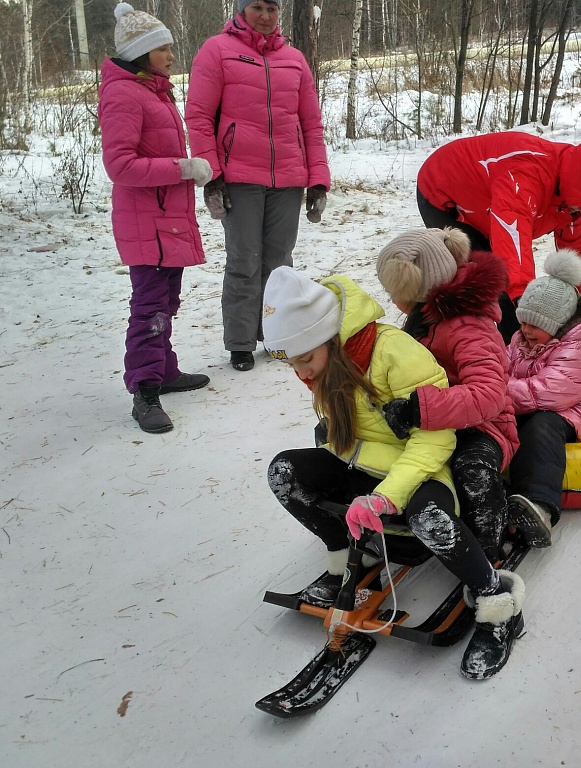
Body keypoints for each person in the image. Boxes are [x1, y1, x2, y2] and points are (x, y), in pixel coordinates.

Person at [262, 266, 525, 679]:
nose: (303, 373)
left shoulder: (392, 353)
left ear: (330, 338)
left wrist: (388, 496)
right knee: (284, 473)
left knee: (429, 518)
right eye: (293, 364)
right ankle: (347, 558)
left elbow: (437, 440)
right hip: (365, 461)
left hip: (422, 465)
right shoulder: (330, 363)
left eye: (306, 359)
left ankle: (496, 604)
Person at [185, 0, 331, 372]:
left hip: (288, 178)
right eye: (257, 7)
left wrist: (317, 180)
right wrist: (211, 174)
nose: (265, 16)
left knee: (279, 263)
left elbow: (311, 124)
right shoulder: (217, 51)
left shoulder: (294, 59)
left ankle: (277, 335)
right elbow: (200, 116)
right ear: (241, 10)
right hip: (238, 176)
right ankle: (240, 342)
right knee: (244, 261)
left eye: (272, 8)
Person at [99, 3, 211, 434]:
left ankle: (163, 370)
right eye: (162, 48)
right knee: (150, 308)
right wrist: (182, 167)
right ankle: (144, 391)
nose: (170, 56)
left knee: (167, 304)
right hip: (147, 223)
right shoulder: (125, 93)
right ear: (141, 53)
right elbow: (121, 166)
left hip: (168, 221)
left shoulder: (153, 90)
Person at [374, 228, 519, 559]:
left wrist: (416, 410)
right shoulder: (422, 320)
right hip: (438, 422)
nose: (390, 299)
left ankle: (486, 547)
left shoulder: (469, 327)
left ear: (417, 291)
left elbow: (488, 395)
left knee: (471, 469)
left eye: (392, 291)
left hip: (484, 426)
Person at [416, 132, 581, 341]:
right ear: (577, 185)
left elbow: (577, 246)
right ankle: (431, 335)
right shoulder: (524, 175)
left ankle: (509, 342)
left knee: (497, 282)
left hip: (485, 208)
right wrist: (524, 301)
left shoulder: (574, 197)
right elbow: (512, 239)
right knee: (486, 277)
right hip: (443, 192)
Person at [505, 250, 581, 547]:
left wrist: (495, 390)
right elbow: (501, 367)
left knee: (541, 425)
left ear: (557, 324)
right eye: (523, 322)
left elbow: (543, 392)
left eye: (535, 324)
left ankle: (538, 505)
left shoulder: (577, 350)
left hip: (577, 414)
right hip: (532, 405)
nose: (526, 330)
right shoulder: (521, 340)